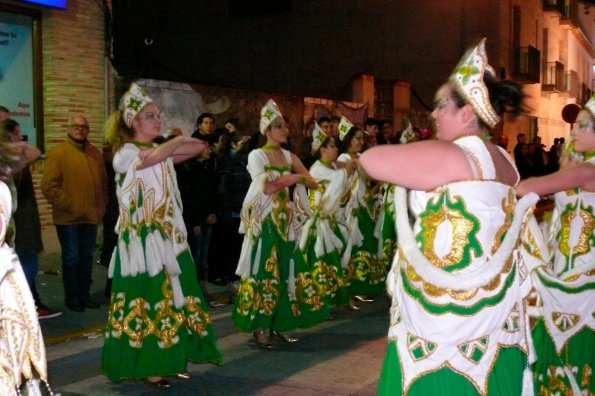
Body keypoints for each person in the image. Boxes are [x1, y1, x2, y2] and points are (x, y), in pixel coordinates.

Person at [360, 39, 540, 395]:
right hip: (493, 309)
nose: (434, 113)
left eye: (443, 105)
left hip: (443, 310)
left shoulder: (456, 156)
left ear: (468, 113)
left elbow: (371, 161)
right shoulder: (505, 161)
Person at [101, 83, 222, 389]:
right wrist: (176, 137)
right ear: (134, 123)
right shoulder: (125, 153)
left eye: (158, 115)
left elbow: (197, 148)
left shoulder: (161, 152)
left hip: (169, 239)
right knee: (149, 299)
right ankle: (147, 365)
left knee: (176, 298)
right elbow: (153, 158)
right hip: (142, 245)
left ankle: (171, 358)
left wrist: (177, 140)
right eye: (150, 116)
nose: (158, 120)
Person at [517, 97, 595, 395]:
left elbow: (530, 186)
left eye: (583, 126)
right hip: (569, 268)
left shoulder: (589, 171)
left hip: (582, 275)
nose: (574, 131)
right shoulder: (583, 166)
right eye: (574, 126)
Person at [233, 99, 317, 349]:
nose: (284, 130)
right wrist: (294, 177)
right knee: (264, 272)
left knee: (284, 271)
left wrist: (295, 177)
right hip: (266, 222)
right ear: (266, 130)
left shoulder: (289, 155)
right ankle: (260, 327)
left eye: (285, 126)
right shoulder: (256, 155)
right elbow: (267, 188)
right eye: (278, 126)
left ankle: (278, 324)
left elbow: (311, 182)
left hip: (286, 222)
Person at [41, 115, 108, 312]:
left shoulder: (95, 154)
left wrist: (102, 205)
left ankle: (84, 296)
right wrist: (70, 204)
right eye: (76, 126)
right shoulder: (58, 153)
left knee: (86, 258)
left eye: (84, 126)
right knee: (71, 259)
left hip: (90, 217)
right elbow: (48, 186)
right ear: (69, 128)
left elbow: (104, 184)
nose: (80, 129)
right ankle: (73, 298)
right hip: (68, 218)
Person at [0, 119, 61, 319]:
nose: (21, 137)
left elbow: (34, 152)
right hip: (10, 227)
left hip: (17, 223)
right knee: (24, 267)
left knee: (27, 266)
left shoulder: (11, 162)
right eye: (16, 133)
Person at [294, 123, 356, 319]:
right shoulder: (318, 169)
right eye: (332, 146)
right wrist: (347, 170)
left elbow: (341, 185)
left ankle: (339, 299)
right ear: (322, 149)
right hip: (318, 225)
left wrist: (346, 171)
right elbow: (337, 181)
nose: (337, 149)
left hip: (331, 221)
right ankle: (320, 303)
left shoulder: (329, 167)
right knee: (320, 264)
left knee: (338, 261)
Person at [336, 117, 384, 302]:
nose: (360, 141)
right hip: (351, 208)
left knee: (366, 244)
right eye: (356, 138)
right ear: (347, 140)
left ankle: (364, 284)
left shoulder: (359, 158)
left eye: (360, 138)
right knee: (353, 246)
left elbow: (367, 185)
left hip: (365, 206)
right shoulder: (344, 158)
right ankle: (352, 288)